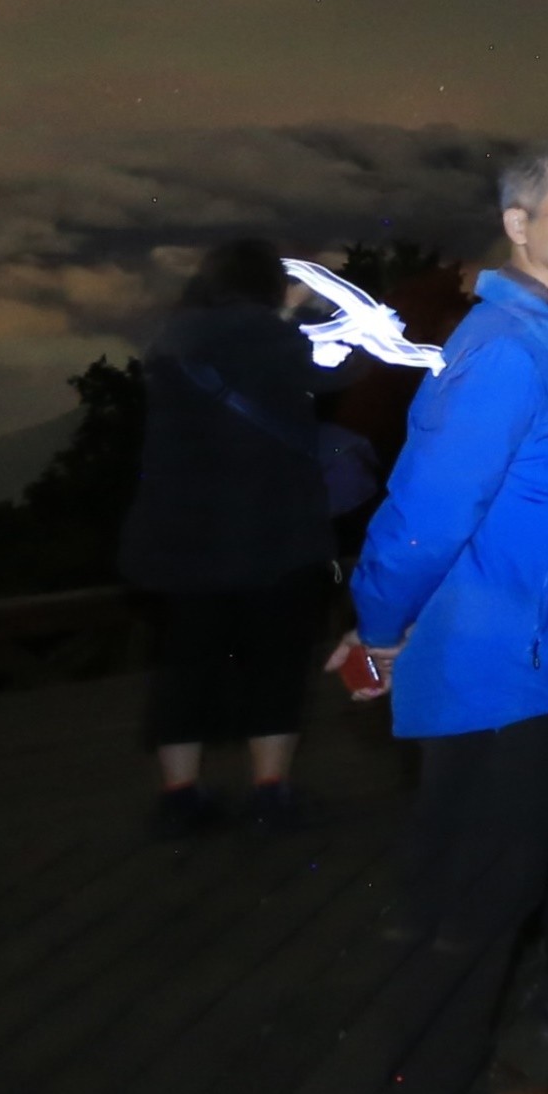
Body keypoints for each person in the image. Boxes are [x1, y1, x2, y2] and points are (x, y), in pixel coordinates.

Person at [347, 142, 548, 1094]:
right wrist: (377, 624)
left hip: (542, 651)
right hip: (499, 661)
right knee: (471, 901)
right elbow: (424, 511)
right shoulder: (510, 349)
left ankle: (462, 1067)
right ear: (519, 225)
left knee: (486, 887)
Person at [120, 239, 354, 838]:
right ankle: (270, 790)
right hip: (274, 536)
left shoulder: (170, 340)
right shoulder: (273, 336)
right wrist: (319, 317)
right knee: (276, 662)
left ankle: (179, 793)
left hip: (181, 539)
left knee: (185, 665)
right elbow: (338, 374)